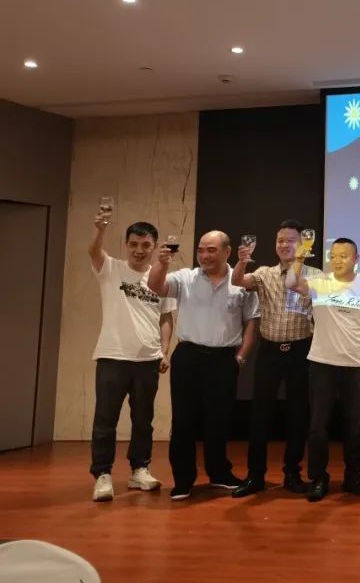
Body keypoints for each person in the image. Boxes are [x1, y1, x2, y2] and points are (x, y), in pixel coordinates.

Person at [148, 231, 258, 500]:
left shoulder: (241, 282)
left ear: (227, 252)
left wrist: (241, 357)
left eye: (211, 250)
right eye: (201, 250)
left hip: (223, 359)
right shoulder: (185, 277)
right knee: (183, 420)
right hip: (188, 356)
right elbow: (155, 287)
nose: (204, 255)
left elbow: (251, 322)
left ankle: (219, 473)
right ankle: (183, 480)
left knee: (219, 421)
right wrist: (161, 263)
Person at [87, 213, 176, 502]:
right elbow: (93, 252)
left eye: (146, 245)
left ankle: (140, 469)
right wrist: (99, 230)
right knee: (105, 419)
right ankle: (102, 474)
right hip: (112, 356)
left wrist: (164, 350)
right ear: (126, 244)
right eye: (134, 244)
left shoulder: (162, 278)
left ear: (155, 246)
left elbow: (166, 317)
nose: (139, 250)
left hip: (148, 359)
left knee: (143, 420)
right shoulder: (111, 268)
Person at [230, 221, 321, 498]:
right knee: (260, 414)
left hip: (301, 350)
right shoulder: (264, 273)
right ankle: (255, 475)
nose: (284, 245)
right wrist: (241, 262)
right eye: (280, 240)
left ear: (302, 244)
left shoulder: (315, 275)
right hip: (269, 350)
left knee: (298, 414)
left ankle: (292, 473)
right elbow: (237, 281)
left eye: (290, 240)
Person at [287, 237, 360, 502]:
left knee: (355, 426)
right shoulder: (320, 283)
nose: (337, 260)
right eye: (333, 256)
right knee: (318, 426)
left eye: (344, 256)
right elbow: (291, 283)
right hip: (322, 363)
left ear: (356, 259)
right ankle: (318, 478)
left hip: (354, 364)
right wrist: (299, 258)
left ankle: (353, 477)